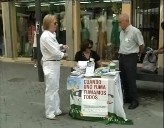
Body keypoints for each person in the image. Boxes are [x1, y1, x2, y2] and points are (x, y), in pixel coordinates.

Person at [40, 14, 69, 120]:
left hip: (54, 64)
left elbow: (55, 47)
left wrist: (61, 46)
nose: (56, 25)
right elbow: (54, 51)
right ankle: (49, 112)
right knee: (51, 89)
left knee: (55, 88)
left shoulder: (51, 35)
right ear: (48, 23)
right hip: (51, 64)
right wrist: (63, 54)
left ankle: (56, 109)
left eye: (57, 23)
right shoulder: (46, 36)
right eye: (55, 23)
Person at [118, 13, 145, 109]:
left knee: (131, 79)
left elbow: (142, 45)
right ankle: (127, 97)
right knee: (123, 78)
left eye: (120, 22)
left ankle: (134, 100)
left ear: (126, 21)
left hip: (131, 57)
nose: (119, 24)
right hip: (122, 57)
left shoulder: (135, 31)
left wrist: (137, 55)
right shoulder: (121, 32)